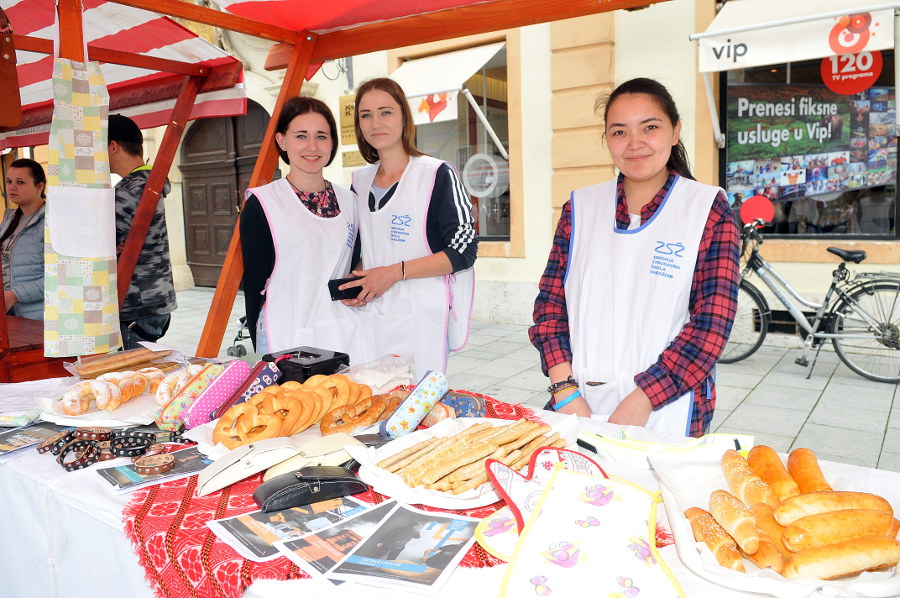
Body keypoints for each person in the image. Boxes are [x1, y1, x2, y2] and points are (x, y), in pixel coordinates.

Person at [529, 78, 740, 438]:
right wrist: (564, 391)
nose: (634, 144)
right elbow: (550, 307)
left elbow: (711, 326)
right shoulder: (580, 208)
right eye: (619, 132)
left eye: (650, 127)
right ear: (607, 140)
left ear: (676, 132)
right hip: (576, 403)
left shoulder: (707, 209)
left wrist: (643, 398)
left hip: (667, 408)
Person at [344, 77, 478, 378]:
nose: (375, 122)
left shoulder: (436, 175)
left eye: (385, 112)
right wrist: (359, 279)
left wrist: (392, 272)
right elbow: (368, 247)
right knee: (371, 402)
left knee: (416, 408)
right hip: (372, 315)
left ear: (405, 117)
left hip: (421, 319)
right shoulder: (359, 182)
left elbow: (464, 251)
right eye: (366, 115)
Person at [240, 96, 359, 355]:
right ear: (282, 140)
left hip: (340, 329)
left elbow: (354, 264)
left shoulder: (351, 202)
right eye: (301, 136)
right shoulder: (264, 204)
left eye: (321, 136)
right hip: (286, 332)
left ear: (332, 142)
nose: (312, 147)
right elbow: (254, 284)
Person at [108, 114, 177, 349]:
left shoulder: (127, 191)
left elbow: (93, 245)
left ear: (113, 146)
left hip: (135, 305)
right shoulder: (151, 181)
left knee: (135, 380)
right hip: (156, 298)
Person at [1, 159, 46, 320]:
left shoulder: (50, 221)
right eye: (9, 181)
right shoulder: (9, 218)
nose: (12, 187)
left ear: (39, 186)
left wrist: (15, 295)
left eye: (20, 182)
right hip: (8, 310)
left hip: (36, 315)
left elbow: (60, 276)